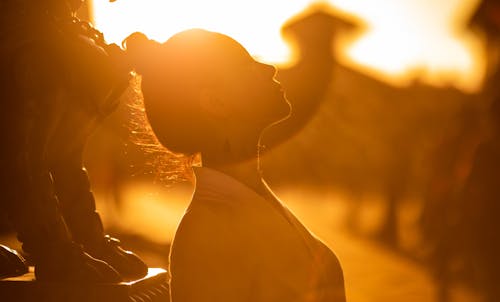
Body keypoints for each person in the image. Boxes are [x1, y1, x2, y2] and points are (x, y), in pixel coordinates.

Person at [124, 28, 346, 301]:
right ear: (216, 102)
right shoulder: (206, 236)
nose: (269, 69)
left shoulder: (250, 199)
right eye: (249, 65)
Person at [0, 0, 147, 282]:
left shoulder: (61, 43)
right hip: (25, 24)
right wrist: (52, 251)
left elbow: (63, 154)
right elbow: (22, 163)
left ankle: (79, 239)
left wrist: (84, 237)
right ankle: (53, 246)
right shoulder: (34, 52)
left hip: (49, 23)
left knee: (61, 152)